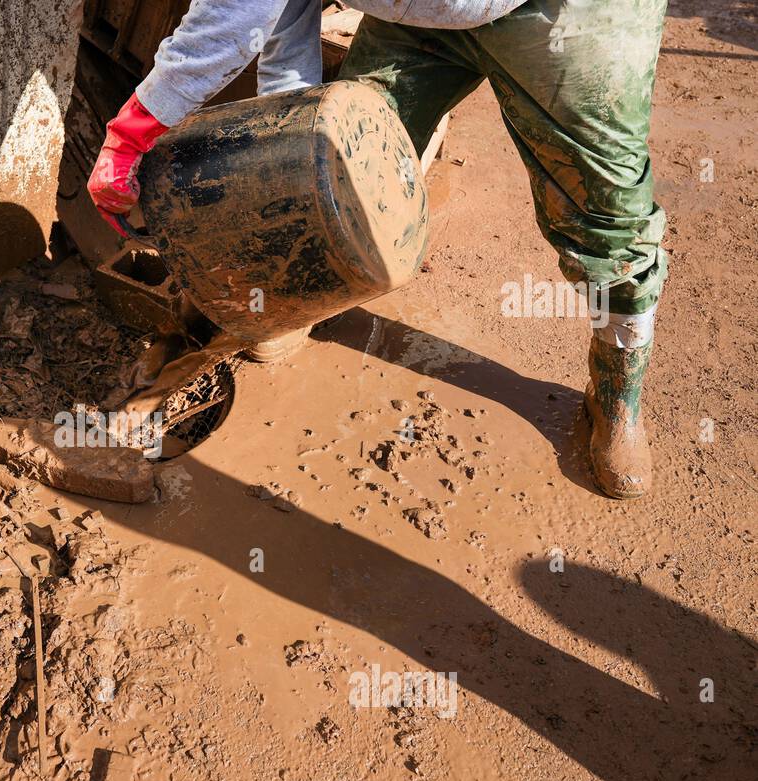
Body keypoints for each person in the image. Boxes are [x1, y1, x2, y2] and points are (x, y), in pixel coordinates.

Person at [88, 0, 668, 500]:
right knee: (331, 159)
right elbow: (281, 19)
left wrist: (134, 129)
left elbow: (237, 13)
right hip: (419, 18)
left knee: (606, 220)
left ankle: (617, 392)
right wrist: (292, 157)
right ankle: (280, 307)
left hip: (569, 18)